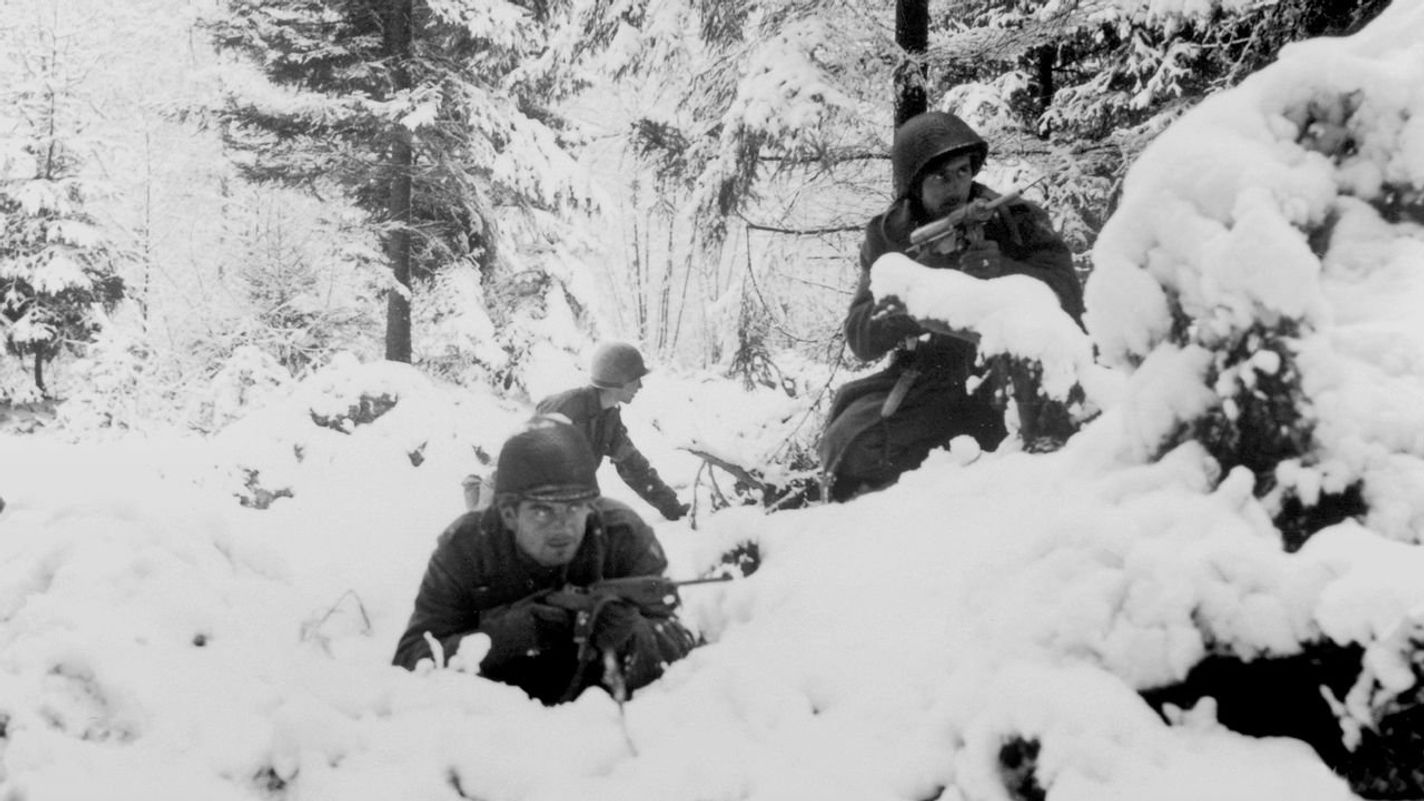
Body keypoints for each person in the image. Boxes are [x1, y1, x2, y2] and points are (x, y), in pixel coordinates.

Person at [819, 110, 1085, 502]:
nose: (956, 187)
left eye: (962, 171)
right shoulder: (890, 235)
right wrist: (918, 284)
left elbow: (1069, 296)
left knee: (1039, 465)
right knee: (851, 448)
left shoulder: (1015, 220)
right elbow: (861, 336)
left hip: (1008, 374)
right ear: (914, 184)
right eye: (940, 176)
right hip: (929, 379)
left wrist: (1004, 270)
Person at [393, 418, 696, 705]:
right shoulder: (466, 547)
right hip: (491, 724)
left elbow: (681, 638)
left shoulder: (622, 535)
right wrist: (509, 634)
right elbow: (412, 658)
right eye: (542, 511)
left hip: (603, 724)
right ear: (509, 514)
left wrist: (627, 638)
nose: (562, 526)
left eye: (575, 507)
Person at [535, 341, 690, 521]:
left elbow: (633, 466)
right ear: (618, 381)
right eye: (635, 380)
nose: (640, 387)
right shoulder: (565, 409)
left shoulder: (608, 417)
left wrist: (671, 507)